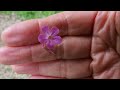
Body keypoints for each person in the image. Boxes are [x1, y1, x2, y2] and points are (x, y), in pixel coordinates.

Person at [0, 11, 120, 79]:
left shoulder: (53, 38)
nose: (50, 37)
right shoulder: (45, 39)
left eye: (51, 36)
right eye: (49, 36)